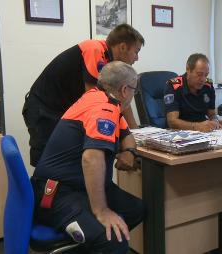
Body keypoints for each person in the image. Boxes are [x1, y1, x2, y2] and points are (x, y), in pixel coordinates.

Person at [31, 61, 145, 254]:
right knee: (113, 241)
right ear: (125, 89)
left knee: (137, 209)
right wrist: (101, 211)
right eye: (135, 90)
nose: (134, 95)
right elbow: (91, 158)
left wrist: (129, 152)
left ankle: (89, 245)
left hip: (78, 186)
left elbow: (128, 136)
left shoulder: (101, 99)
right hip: (56, 192)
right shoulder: (103, 108)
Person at [23, 24, 144, 167]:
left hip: (61, 109)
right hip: (44, 108)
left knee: (65, 162)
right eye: (136, 51)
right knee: (47, 162)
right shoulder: (95, 49)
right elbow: (96, 102)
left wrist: (134, 131)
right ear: (123, 47)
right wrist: (124, 133)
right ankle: (40, 188)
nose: (137, 58)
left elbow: (121, 99)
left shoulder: (113, 65)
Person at [164, 53, 221, 132]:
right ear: (188, 70)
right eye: (199, 74)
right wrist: (197, 126)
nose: (203, 79)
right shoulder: (174, 86)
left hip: (203, 133)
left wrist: (215, 121)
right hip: (180, 134)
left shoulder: (208, 86)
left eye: (206, 75)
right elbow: (172, 122)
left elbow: (211, 114)